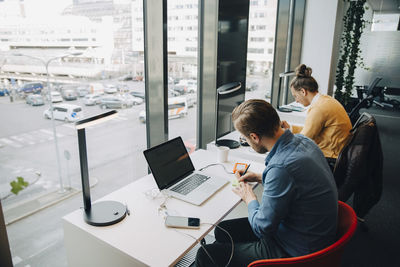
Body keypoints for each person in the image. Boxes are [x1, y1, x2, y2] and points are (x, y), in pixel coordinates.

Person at [194, 99, 338, 267]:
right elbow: (298, 180)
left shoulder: (281, 167)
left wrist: (250, 198)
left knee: (205, 255)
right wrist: (261, 177)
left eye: (245, 138)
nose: (246, 140)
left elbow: (262, 228)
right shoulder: (304, 142)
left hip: (295, 251)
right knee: (222, 230)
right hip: (314, 234)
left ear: (254, 137)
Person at [281, 64, 352, 165]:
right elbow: (310, 132)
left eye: (295, 96)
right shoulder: (325, 100)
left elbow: (303, 141)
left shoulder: (318, 108)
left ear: (303, 91)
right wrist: (290, 128)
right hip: (338, 152)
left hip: (330, 158)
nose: (296, 101)